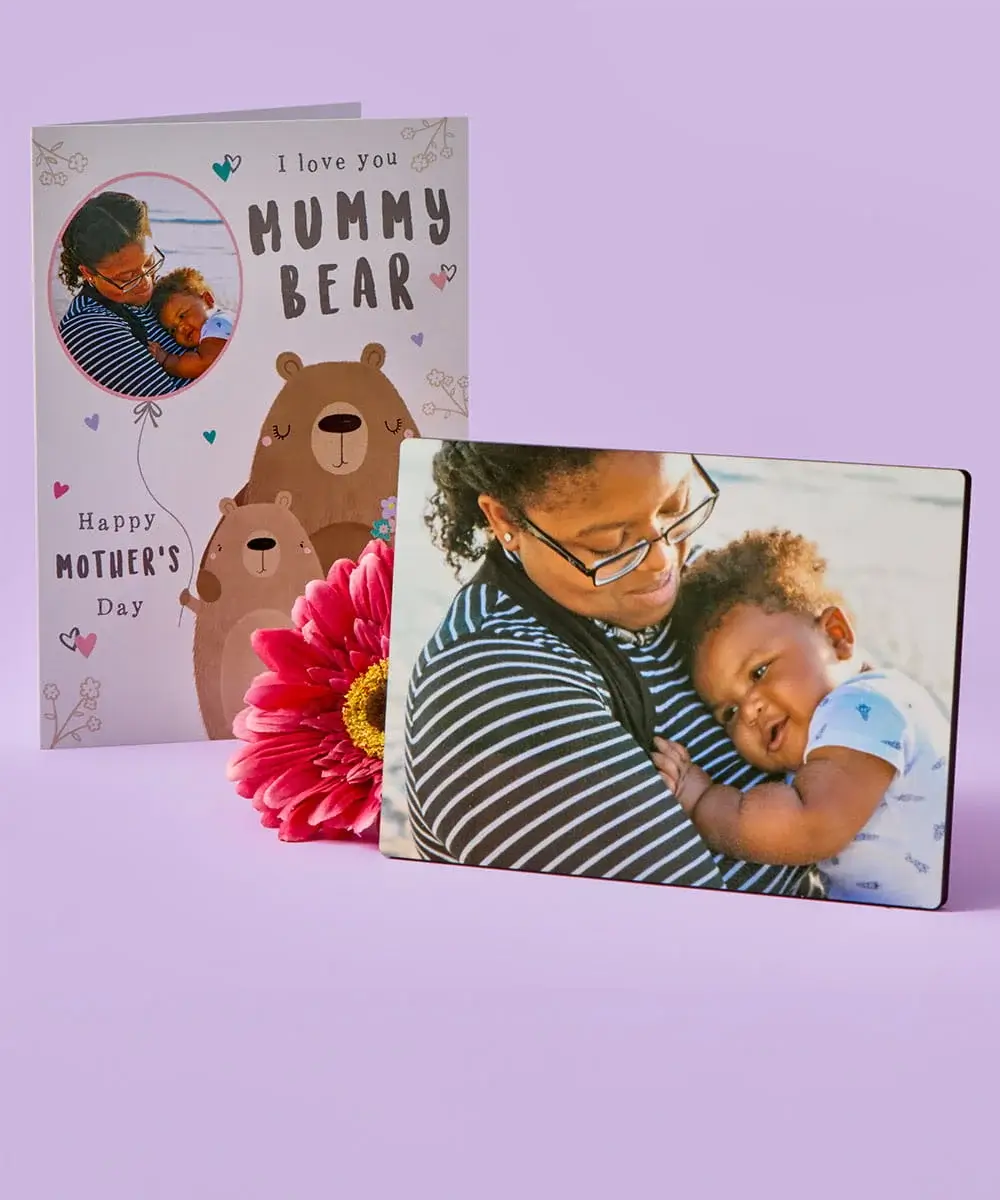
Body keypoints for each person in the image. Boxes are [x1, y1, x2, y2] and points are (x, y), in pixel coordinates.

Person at [402, 441, 827, 898]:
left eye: (674, 506)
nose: (663, 560)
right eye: (609, 543)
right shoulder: (487, 691)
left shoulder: (712, 588)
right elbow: (678, 945)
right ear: (506, 520)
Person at [652, 529, 950, 909]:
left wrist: (702, 802)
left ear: (836, 638)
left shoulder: (861, 707)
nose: (749, 710)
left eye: (759, 672)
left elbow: (807, 825)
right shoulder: (834, 737)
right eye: (727, 713)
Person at [56, 191, 191, 398]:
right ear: (89, 274)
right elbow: (167, 409)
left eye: (149, 262)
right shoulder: (90, 328)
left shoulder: (167, 290)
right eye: (126, 277)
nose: (146, 282)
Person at [148, 267, 235, 380]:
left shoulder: (217, 324)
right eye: (173, 330)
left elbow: (201, 365)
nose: (180, 329)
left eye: (182, 316)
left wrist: (166, 360)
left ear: (207, 301)